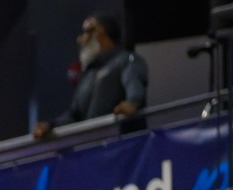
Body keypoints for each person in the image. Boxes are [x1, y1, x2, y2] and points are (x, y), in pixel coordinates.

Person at [34, 11, 148, 139]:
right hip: (92, 149)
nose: (80, 39)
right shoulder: (88, 74)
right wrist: (51, 125)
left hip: (123, 146)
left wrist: (132, 102)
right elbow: (74, 115)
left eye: (86, 31)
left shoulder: (127, 60)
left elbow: (134, 88)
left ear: (101, 33)